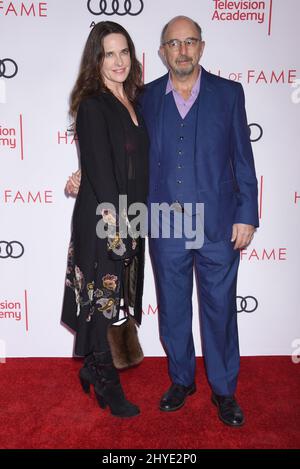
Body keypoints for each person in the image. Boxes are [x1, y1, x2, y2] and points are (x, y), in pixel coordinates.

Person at [66, 16, 259, 427]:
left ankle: (224, 391)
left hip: (218, 225)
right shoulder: (145, 98)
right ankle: (181, 381)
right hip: (164, 223)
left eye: (190, 42)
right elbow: (121, 148)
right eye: (173, 43)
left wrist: (247, 215)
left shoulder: (229, 94)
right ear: (161, 52)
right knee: (172, 311)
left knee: (220, 311)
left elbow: (244, 159)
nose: (182, 50)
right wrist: (85, 174)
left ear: (201, 47)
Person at [62, 21, 149, 418]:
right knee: (101, 301)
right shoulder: (93, 105)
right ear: (96, 60)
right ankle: (105, 379)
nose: (118, 61)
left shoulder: (136, 102)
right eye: (109, 53)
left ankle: (93, 369)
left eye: (124, 52)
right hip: (105, 220)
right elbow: (99, 169)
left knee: (114, 300)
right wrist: (120, 231)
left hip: (132, 217)